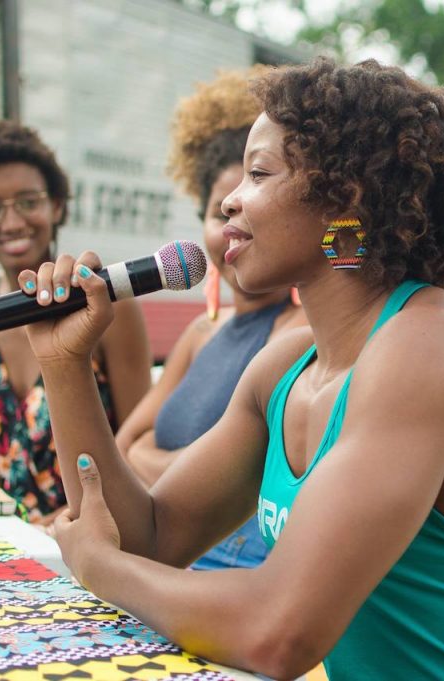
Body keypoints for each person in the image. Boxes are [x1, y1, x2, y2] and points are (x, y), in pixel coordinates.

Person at [26, 58, 444, 679]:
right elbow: (145, 536)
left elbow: (279, 636)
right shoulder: (284, 367)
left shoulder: (430, 349)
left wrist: (103, 569)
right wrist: (65, 363)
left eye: (258, 173)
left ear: (344, 197)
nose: (228, 200)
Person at [114, 68, 306, 570]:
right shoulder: (201, 335)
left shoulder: (296, 337)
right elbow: (122, 446)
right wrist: (162, 466)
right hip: (167, 556)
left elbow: (237, 477)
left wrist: (150, 463)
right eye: (219, 213)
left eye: (258, 181)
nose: (232, 222)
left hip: (229, 568)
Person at [0, 121, 152, 523]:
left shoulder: (104, 300)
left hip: (92, 532)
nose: (12, 222)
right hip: (7, 539)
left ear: (56, 205)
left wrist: (62, 520)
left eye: (28, 201)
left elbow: (138, 444)